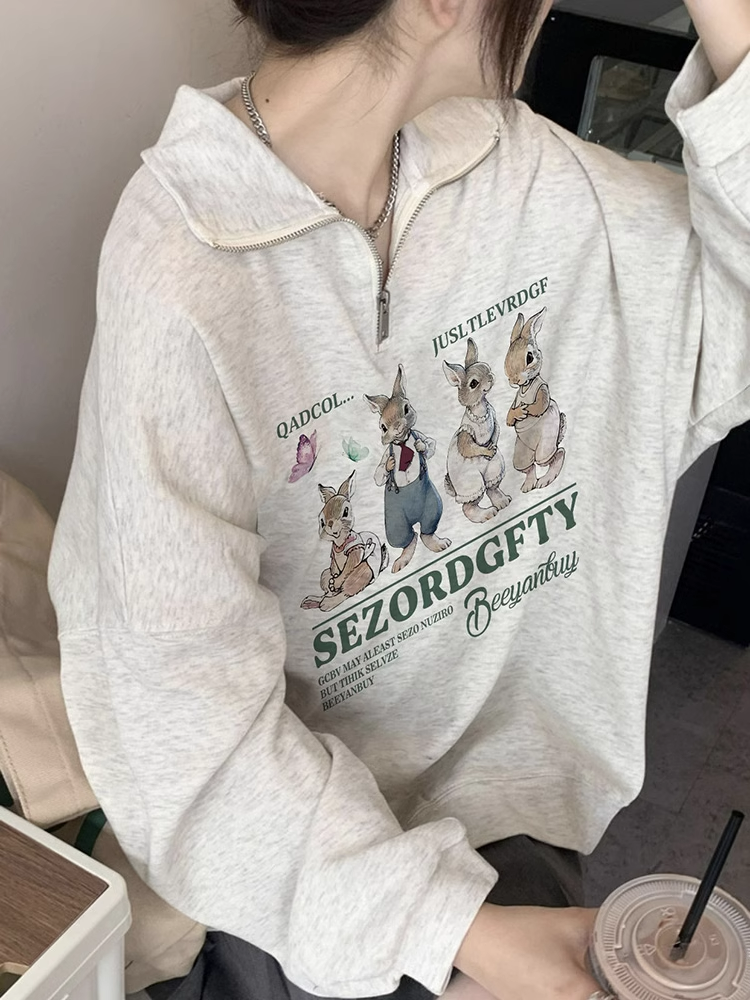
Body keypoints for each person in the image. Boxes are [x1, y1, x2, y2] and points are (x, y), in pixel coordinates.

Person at [46, 0, 750, 998]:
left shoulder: (526, 176)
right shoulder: (184, 274)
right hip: (296, 886)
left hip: (517, 841)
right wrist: (450, 928)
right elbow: (182, 731)